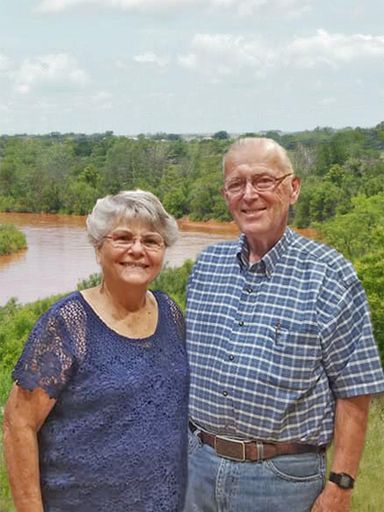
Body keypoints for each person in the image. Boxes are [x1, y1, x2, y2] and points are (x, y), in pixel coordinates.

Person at [184, 138, 384, 512]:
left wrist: (340, 487)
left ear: (292, 189)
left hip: (282, 480)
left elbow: (355, 391)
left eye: (263, 181)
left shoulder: (330, 276)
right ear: (225, 195)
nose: (249, 195)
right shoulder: (205, 267)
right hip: (198, 467)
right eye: (236, 184)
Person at [3, 190, 189, 512]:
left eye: (151, 241)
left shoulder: (170, 313)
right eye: (123, 238)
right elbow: (18, 423)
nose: (137, 250)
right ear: (98, 246)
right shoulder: (68, 324)